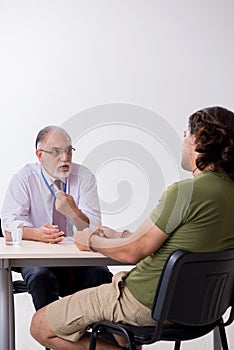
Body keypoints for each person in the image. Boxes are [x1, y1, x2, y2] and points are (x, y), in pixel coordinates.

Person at [30, 106, 234, 350]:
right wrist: (118, 235)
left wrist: (91, 241)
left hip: (144, 300)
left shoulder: (185, 192)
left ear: (199, 140)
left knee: (40, 325)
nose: (182, 142)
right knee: (119, 332)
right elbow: (167, 240)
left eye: (185, 134)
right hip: (202, 307)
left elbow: (133, 252)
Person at [0, 125, 112, 310]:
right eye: (56, 152)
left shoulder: (84, 177)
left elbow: (95, 230)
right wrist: (36, 233)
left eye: (69, 151)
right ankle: (52, 335)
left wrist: (73, 213)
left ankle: (102, 336)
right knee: (40, 276)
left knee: (101, 276)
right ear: (39, 155)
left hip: (77, 257)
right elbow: (8, 227)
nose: (65, 158)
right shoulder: (24, 178)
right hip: (37, 257)